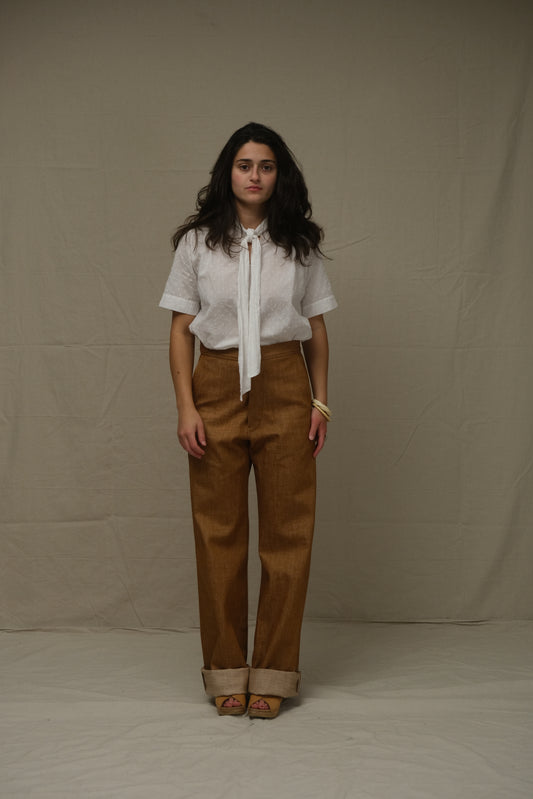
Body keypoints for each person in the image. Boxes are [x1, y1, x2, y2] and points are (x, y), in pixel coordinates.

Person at [159, 122, 337, 719]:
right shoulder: (197, 244)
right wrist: (186, 406)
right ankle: (226, 671)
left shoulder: (300, 244)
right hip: (215, 384)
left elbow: (315, 329)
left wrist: (319, 402)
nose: (254, 175)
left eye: (265, 165)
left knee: (289, 535)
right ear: (227, 173)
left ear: (279, 175)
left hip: (286, 385)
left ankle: (276, 672)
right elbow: (180, 330)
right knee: (218, 536)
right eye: (244, 165)